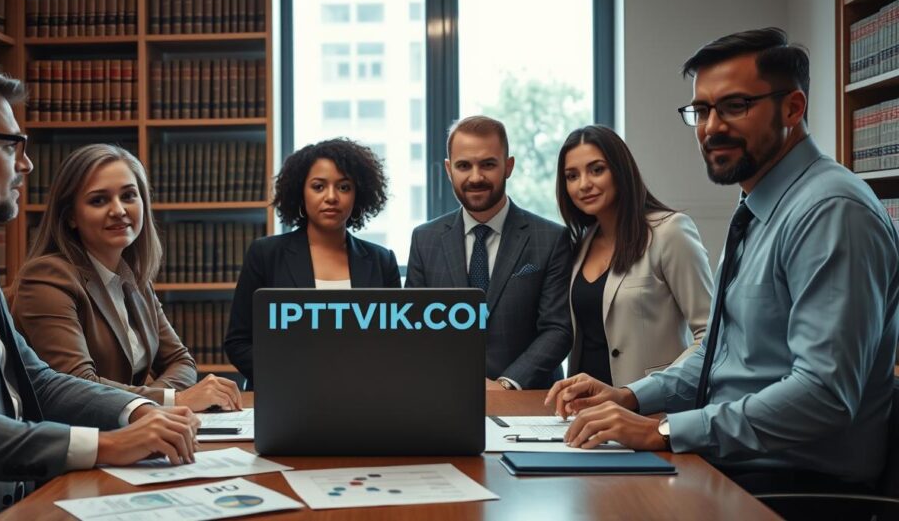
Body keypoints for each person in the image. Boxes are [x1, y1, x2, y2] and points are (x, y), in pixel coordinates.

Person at [546, 28, 899, 494]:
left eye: (735, 106)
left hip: (792, 484)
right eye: (702, 110)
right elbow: (717, 356)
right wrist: (632, 396)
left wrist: (664, 429)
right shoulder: (757, 209)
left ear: (793, 108)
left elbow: (824, 395)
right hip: (734, 460)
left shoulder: (830, 210)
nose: (711, 127)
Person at [0, 62, 201, 521]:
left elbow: (37, 379)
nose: (25, 164)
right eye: (11, 145)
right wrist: (106, 444)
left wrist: (135, 410)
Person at [9, 144, 242, 412]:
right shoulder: (47, 278)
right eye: (99, 200)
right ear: (71, 216)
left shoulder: (133, 280)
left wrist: (158, 405)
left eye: (129, 196)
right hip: (77, 440)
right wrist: (172, 400)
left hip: (130, 432)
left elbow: (181, 361)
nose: (119, 210)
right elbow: (77, 385)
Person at [406, 115, 573, 390]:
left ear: (508, 167)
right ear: (449, 170)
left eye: (488, 164)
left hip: (529, 399)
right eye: (463, 166)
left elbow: (558, 329)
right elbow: (416, 330)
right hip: (445, 397)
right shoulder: (425, 240)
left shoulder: (551, 239)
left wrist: (507, 383)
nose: (476, 177)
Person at [224, 138, 401, 385]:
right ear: (300, 192)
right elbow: (238, 342)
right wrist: (293, 376)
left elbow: (396, 345)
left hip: (363, 395)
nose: (331, 197)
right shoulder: (265, 254)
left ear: (358, 195)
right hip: (284, 396)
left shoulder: (382, 261)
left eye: (344, 187)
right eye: (318, 187)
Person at [556, 124, 712, 387]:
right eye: (572, 176)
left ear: (620, 170)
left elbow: (709, 334)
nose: (584, 184)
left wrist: (642, 392)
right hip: (584, 412)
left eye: (597, 170)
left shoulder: (670, 231)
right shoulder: (582, 243)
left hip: (646, 409)